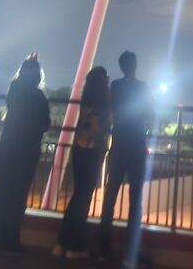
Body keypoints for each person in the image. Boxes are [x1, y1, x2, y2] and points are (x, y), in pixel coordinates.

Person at [0, 54, 51, 253]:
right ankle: (11, 238)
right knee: (19, 195)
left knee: (4, 190)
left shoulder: (13, 90)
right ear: (38, 77)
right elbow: (45, 123)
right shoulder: (38, 97)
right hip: (28, 148)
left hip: (8, 145)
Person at [99, 52, 153, 266]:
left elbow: (109, 111)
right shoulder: (143, 88)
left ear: (121, 66)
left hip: (119, 145)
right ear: (136, 65)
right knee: (135, 202)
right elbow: (151, 113)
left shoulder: (116, 87)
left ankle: (103, 248)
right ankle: (130, 252)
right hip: (136, 146)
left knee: (110, 197)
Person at [56, 67, 111, 258]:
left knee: (77, 195)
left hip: (78, 148)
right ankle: (74, 247)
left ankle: (62, 243)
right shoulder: (103, 101)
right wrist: (101, 145)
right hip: (92, 150)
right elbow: (97, 125)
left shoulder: (86, 98)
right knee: (83, 198)